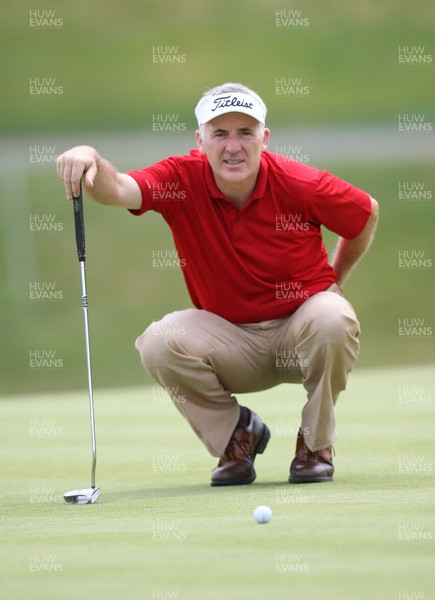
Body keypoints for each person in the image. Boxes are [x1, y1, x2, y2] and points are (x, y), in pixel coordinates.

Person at [57, 82, 378, 486]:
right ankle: (237, 436)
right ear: (200, 140)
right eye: (220, 133)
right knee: (159, 340)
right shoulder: (179, 179)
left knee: (333, 315)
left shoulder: (299, 182)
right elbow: (117, 189)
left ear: (264, 138)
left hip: (301, 329)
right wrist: (89, 157)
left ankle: (315, 444)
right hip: (231, 342)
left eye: (245, 132)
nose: (233, 146)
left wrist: (336, 279)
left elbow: (365, 213)